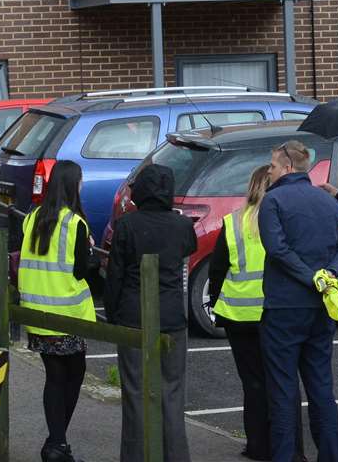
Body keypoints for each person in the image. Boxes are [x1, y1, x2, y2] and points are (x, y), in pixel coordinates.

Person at [258, 139, 338, 462]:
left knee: (283, 392)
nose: (269, 172)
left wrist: (310, 276)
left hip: (284, 308)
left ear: (287, 167)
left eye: (272, 166)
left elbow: (277, 249)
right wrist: (327, 274)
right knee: (321, 387)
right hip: (321, 308)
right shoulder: (328, 202)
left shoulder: (273, 201)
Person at [105, 163, 199, 462]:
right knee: (172, 393)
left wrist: (113, 314)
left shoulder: (126, 226)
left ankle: (136, 456)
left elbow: (115, 276)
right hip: (172, 319)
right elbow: (187, 249)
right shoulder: (182, 225)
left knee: (135, 394)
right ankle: (175, 456)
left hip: (133, 318)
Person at [17, 160, 101, 462]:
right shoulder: (75, 224)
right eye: (80, 182)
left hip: (37, 313)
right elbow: (81, 271)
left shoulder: (32, 218)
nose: (81, 186)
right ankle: (56, 443)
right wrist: (91, 252)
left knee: (53, 377)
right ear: (72, 185)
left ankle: (56, 444)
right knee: (74, 376)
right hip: (68, 314)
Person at [209, 164, 279, 460]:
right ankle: (282, 444)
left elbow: (216, 270)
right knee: (277, 381)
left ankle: (256, 446)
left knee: (252, 383)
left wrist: (215, 305)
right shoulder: (279, 219)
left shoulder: (233, 221)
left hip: (238, 314)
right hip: (273, 312)